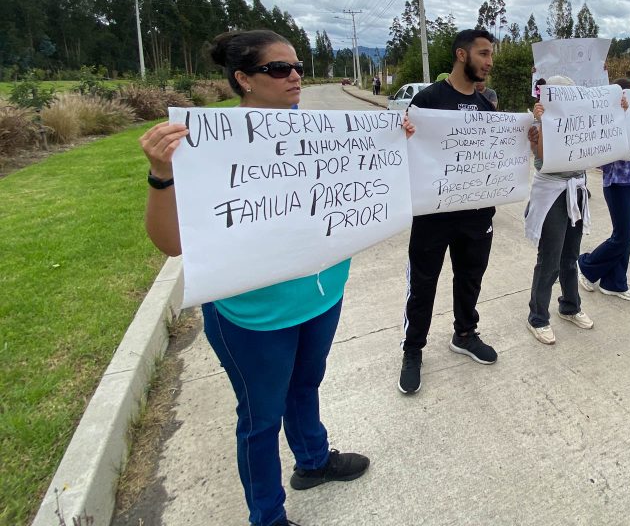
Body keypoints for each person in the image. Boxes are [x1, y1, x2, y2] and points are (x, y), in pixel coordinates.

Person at [139, 30, 383, 526]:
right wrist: (161, 174)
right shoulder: (204, 146)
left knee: (306, 385)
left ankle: (313, 461)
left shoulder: (320, 133)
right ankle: (267, 517)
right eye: (278, 68)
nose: (294, 76)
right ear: (243, 79)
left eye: (297, 66)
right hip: (252, 316)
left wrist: (398, 144)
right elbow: (171, 243)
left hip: (321, 297)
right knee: (260, 419)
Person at [400, 29, 499, 395]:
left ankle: (465, 334)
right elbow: (405, 152)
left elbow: (496, 152)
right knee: (423, 285)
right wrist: (403, 136)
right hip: (433, 215)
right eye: (483, 53)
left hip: (476, 214)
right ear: (462, 54)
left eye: (491, 54)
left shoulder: (487, 105)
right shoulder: (427, 100)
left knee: (470, 278)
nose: (489, 62)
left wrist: (528, 139)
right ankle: (413, 350)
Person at [524, 76, 595, 344]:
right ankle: (538, 317)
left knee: (570, 256)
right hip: (552, 194)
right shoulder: (538, 122)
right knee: (550, 258)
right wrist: (542, 123)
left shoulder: (581, 120)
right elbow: (544, 159)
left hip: (576, 190)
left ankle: (570, 306)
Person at [578, 78, 630, 301]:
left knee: (627, 236)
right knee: (621, 237)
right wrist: (620, 116)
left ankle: (615, 282)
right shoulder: (606, 119)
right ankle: (586, 265)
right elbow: (600, 156)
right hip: (616, 184)